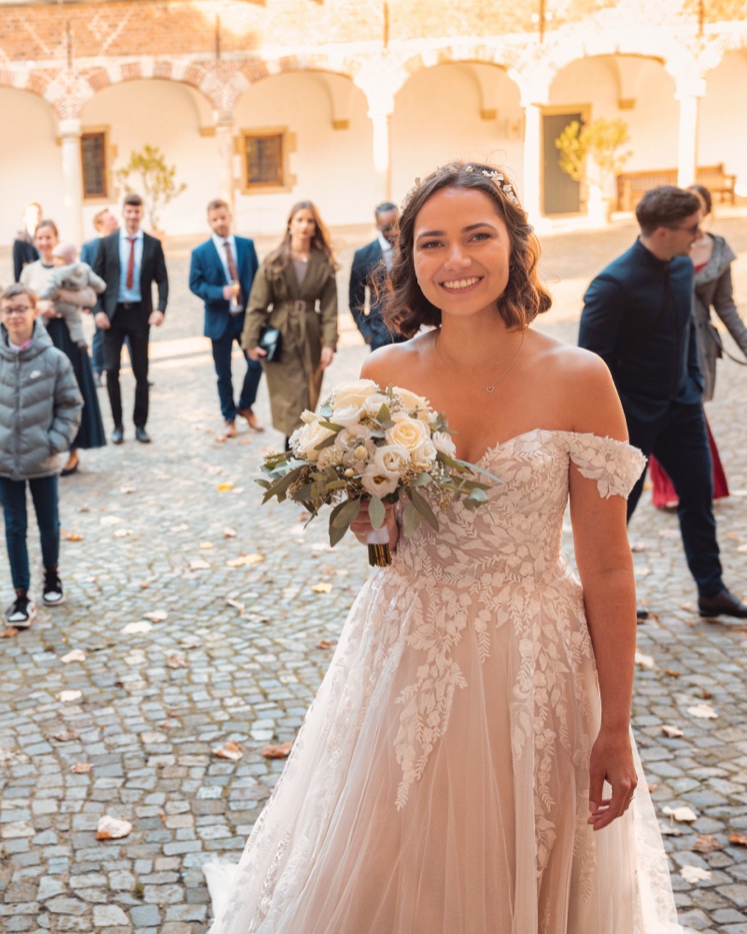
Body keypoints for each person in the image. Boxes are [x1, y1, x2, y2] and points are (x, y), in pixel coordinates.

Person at [208, 162, 680, 933]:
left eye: (477, 237)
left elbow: (606, 567)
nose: (455, 261)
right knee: (396, 859)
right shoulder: (383, 373)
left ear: (514, 245)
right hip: (404, 650)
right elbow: (385, 538)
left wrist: (616, 724)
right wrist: (371, 522)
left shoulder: (580, 377)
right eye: (432, 243)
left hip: (531, 664)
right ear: (409, 260)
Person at [579, 185, 747, 620]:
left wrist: (691, 381)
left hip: (683, 408)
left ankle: (711, 591)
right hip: (632, 419)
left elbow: (688, 332)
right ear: (663, 231)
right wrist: (618, 421)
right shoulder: (611, 285)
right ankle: (603, 596)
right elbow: (590, 367)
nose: (699, 236)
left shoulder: (682, 269)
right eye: (692, 228)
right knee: (619, 511)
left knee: (699, 497)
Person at [0, 283, 83, 627]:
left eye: (21, 308)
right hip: (3, 461)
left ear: (34, 311)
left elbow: (71, 405)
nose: (15, 316)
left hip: (42, 460)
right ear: (1, 316)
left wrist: (53, 442)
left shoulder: (54, 360)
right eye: (8, 310)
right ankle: (21, 595)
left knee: (49, 523)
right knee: (14, 527)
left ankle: (52, 576)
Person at [647, 183, 740, 509]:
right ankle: (671, 491)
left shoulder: (718, 250)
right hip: (664, 341)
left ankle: (698, 489)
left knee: (690, 409)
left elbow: (725, 305)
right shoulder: (664, 248)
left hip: (700, 344)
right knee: (671, 410)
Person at [241, 200, 339, 438]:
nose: (304, 225)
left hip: (311, 335)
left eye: (310, 220)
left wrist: (329, 343)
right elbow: (257, 303)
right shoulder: (275, 260)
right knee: (290, 398)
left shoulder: (322, 262)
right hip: (281, 335)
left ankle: (298, 455)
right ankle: (292, 456)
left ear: (315, 227)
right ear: (290, 225)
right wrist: (250, 341)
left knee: (307, 395)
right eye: (300, 220)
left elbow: (329, 309)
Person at [18, 221, 109, 471]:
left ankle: (74, 449)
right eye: (40, 238)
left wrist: (58, 296)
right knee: (43, 393)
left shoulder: (74, 267)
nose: (45, 242)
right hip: (40, 334)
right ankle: (47, 449)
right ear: (35, 241)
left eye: (49, 237)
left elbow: (90, 297)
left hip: (67, 336)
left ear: (56, 239)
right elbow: (23, 302)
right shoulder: (30, 272)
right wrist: (40, 306)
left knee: (71, 390)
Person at [90, 192, 169, 444]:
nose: (133, 216)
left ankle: (140, 425)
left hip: (139, 314)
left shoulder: (153, 244)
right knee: (111, 370)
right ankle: (117, 425)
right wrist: (97, 311)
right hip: (112, 316)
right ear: (123, 213)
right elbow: (94, 280)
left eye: (137, 211)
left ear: (141, 213)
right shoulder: (107, 243)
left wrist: (160, 308)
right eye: (129, 211)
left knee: (141, 372)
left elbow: (163, 279)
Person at [188, 198, 263, 441]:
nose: (220, 222)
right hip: (219, 320)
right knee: (224, 374)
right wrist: (219, 292)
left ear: (229, 216)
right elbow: (195, 284)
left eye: (223, 217)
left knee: (256, 364)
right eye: (215, 219)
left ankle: (245, 405)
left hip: (246, 319)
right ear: (210, 222)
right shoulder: (200, 253)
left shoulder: (246, 245)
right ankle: (228, 417)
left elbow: (258, 278)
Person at [348, 201, 404, 350]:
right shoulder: (362, 256)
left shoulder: (409, 250)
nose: (393, 232)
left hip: (408, 333)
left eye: (396, 225)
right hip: (378, 334)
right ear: (377, 226)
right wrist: (367, 333)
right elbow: (355, 301)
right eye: (387, 228)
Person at [82, 207, 120, 381]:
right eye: (111, 219)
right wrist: (87, 304)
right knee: (100, 335)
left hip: (119, 297)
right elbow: (83, 274)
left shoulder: (121, 242)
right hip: (99, 299)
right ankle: (96, 370)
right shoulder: (89, 247)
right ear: (100, 225)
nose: (115, 221)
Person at [12, 201, 43, 282]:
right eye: (32, 213)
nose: (36, 215)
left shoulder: (47, 239)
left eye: (38, 212)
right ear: (25, 218)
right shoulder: (20, 241)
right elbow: (17, 272)